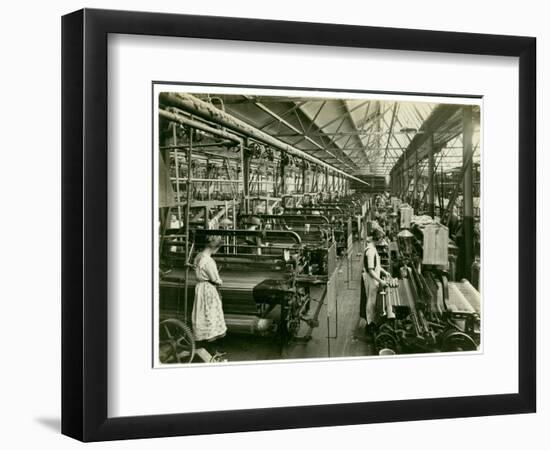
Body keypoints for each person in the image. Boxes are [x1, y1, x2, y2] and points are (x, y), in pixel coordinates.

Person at [192, 235, 227, 343]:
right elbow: (214, 279)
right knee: (210, 313)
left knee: (201, 312)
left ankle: (203, 336)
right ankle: (210, 340)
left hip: (200, 287)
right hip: (208, 288)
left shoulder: (198, 256)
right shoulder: (209, 261)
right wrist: (219, 281)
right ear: (214, 248)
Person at [362, 229, 392, 335]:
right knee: (370, 302)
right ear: (378, 239)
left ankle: (372, 323)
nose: (382, 241)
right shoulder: (370, 251)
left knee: (373, 302)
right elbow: (370, 270)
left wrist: (384, 272)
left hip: (374, 278)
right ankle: (369, 326)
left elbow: (376, 266)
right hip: (371, 279)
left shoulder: (373, 248)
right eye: (381, 239)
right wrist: (380, 281)